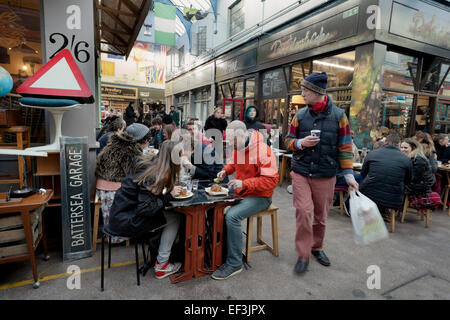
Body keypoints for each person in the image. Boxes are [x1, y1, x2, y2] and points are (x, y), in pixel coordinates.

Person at [284, 72, 359, 274]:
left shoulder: (339, 116)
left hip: (326, 173)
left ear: (317, 92)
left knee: (320, 216)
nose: (302, 94)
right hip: (301, 171)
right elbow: (288, 140)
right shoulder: (299, 115)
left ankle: (317, 247)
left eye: (305, 90)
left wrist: (349, 175)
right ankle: (303, 254)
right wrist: (300, 143)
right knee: (304, 212)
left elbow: (344, 147)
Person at [211, 120, 278, 280]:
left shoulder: (263, 150)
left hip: (261, 196)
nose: (231, 145)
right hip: (243, 191)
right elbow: (233, 164)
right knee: (215, 205)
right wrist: (225, 171)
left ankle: (235, 263)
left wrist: (244, 183)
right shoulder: (238, 146)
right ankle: (223, 249)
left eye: (234, 141)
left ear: (243, 134)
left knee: (232, 216)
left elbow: (271, 181)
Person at [106, 141, 184, 279]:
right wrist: (169, 195)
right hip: (128, 220)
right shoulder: (153, 175)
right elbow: (146, 208)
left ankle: (158, 254)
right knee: (175, 218)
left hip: (120, 214)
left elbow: (147, 196)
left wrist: (165, 193)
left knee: (169, 215)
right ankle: (162, 265)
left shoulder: (148, 164)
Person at [95, 129, 144, 243]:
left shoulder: (109, 146)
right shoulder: (131, 150)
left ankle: (114, 235)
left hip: (100, 186)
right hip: (114, 188)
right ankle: (121, 236)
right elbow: (134, 173)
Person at [359, 134, 412, 217]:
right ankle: (382, 213)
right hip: (394, 199)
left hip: (370, 194)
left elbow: (363, 174)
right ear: (398, 144)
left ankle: (374, 214)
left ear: (385, 142)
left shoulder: (372, 154)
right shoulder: (406, 159)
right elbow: (408, 180)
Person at [400, 138, 440, 211]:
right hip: (418, 183)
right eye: (401, 147)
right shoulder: (409, 157)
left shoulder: (418, 159)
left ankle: (394, 208)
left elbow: (416, 179)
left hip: (421, 186)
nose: (402, 149)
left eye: (405, 147)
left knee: (395, 187)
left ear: (413, 148)